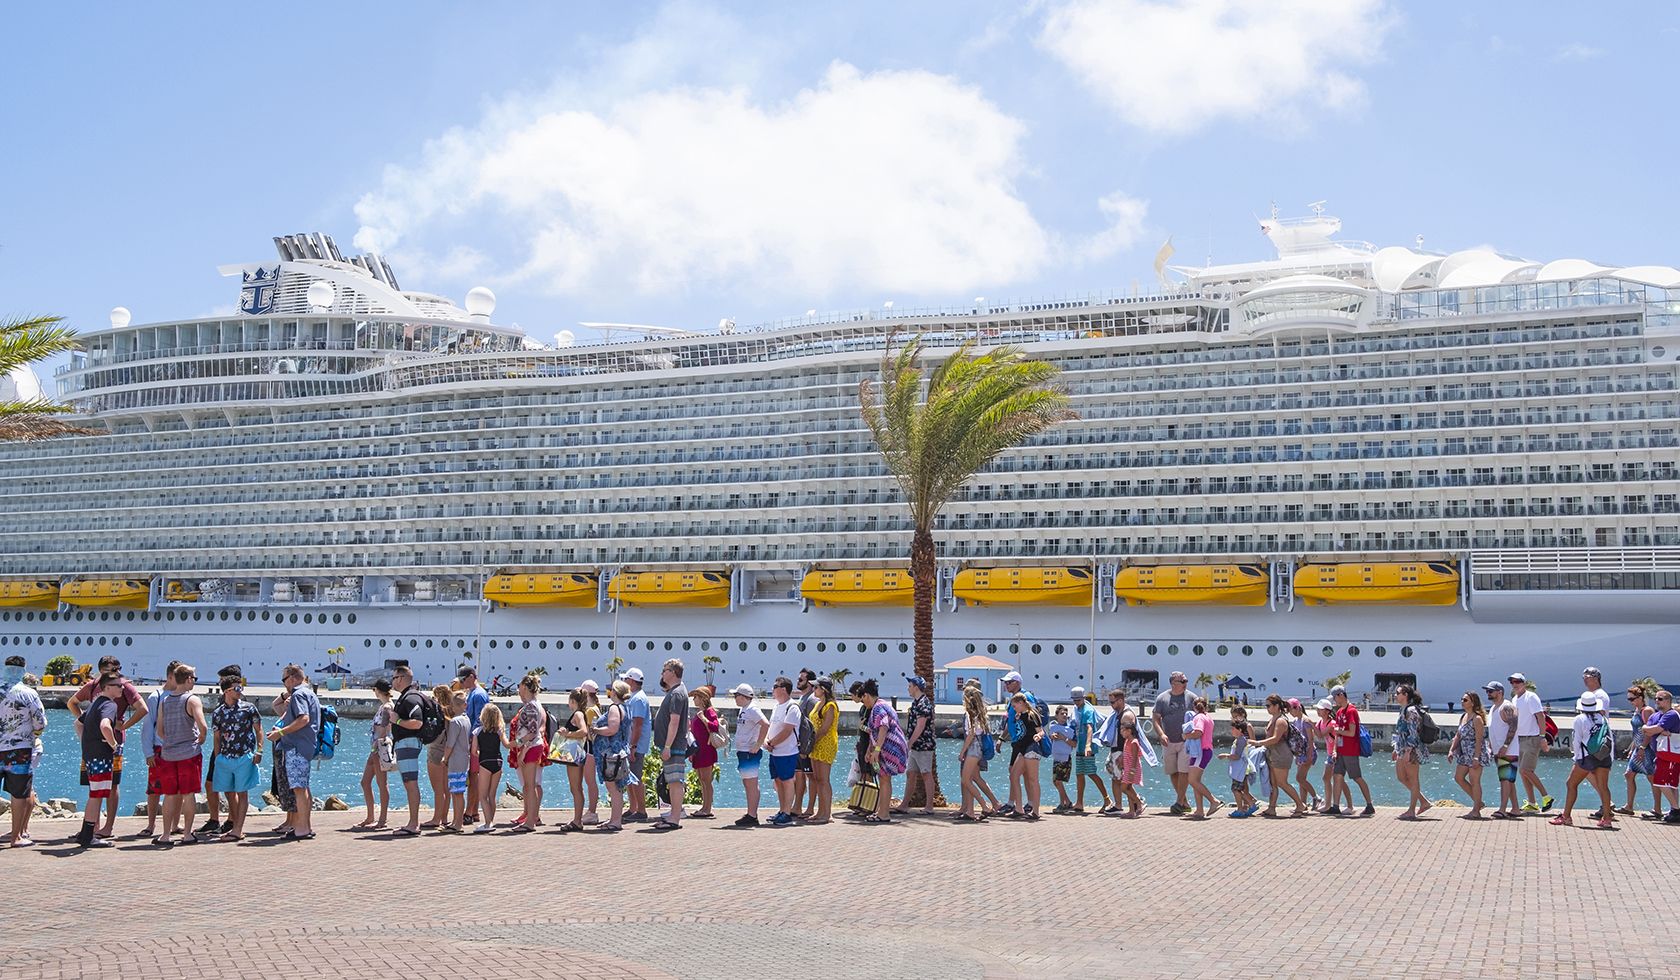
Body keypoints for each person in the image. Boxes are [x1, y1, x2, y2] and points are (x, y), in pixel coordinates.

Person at [65, 655, 147, 841]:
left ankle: (102, 827)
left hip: (94, 748)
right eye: (113, 671)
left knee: (106, 787)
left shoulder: (109, 694)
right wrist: (111, 742)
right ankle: (91, 830)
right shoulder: (105, 699)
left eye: (118, 670)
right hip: (103, 749)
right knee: (97, 789)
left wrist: (123, 726)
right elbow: (78, 708)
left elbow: (142, 708)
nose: (118, 677)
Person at [153, 663, 207, 846]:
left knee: (169, 795)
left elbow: (159, 731)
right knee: (188, 794)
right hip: (189, 754)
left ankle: (165, 835)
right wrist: (200, 739)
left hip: (168, 753)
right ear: (189, 679)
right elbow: (203, 726)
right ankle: (187, 834)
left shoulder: (165, 701)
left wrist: (171, 741)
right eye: (194, 678)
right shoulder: (192, 700)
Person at [266, 664, 320, 840]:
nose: (284, 684)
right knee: (303, 788)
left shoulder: (299, 694)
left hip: (296, 747)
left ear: (292, 677)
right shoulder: (310, 693)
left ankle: (302, 829)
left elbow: (303, 718)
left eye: (284, 680)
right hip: (305, 746)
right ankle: (305, 826)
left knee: (298, 788)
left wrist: (280, 733)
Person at [208, 675, 262, 841]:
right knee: (229, 792)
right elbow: (216, 737)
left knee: (242, 792)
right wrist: (217, 758)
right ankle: (235, 827)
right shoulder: (218, 713)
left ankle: (238, 829)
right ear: (226, 691)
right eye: (237, 688)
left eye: (241, 688)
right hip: (225, 758)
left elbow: (259, 730)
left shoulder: (249, 708)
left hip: (244, 756)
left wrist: (259, 751)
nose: (240, 691)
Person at [0, 655, 47, 847]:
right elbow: (40, 722)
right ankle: (16, 837)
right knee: (19, 794)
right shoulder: (28, 693)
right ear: (23, 670)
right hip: (19, 750)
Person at [75, 672, 124, 849]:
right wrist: (113, 744)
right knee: (97, 795)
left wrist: (86, 742)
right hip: (101, 756)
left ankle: (86, 833)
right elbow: (105, 725)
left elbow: (78, 723)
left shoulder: (95, 702)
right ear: (107, 687)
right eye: (118, 685)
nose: (122, 687)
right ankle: (88, 836)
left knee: (94, 794)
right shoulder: (110, 705)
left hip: (90, 754)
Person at [1552, 691, 1615, 829]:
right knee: (1603, 787)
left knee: (1571, 784)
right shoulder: (1603, 718)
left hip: (1587, 757)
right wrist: (1610, 758)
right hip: (1603, 756)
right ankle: (1607, 819)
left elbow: (1577, 740)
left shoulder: (1580, 719)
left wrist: (1577, 758)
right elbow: (1610, 739)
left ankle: (1566, 816)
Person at [198, 663, 245, 837]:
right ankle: (214, 819)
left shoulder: (240, 703)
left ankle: (232, 821)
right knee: (211, 784)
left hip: (232, 751)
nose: (219, 683)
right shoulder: (223, 700)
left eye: (221, 679)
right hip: (220, 750)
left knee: (230, 788)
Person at [137, 660, 180, 839]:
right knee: (154, 789)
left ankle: (175, 824)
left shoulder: (183, 694)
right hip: (159, 748)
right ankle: (151, 824)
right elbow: (148, 726)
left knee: (177, 789)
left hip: (178, 749)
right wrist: (148, 752)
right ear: (170, 676)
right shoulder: (156, 696)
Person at [860, 678, 909, 824]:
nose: (863, 702)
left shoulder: (878, 708)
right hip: (885, 748)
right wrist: (870, 750)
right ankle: (881, 810)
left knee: (885, 778)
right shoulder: (880, 706)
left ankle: (884, 813)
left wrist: (877, 750)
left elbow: (883, 727)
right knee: (883, 778)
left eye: (863, 698)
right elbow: (873, 732)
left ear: (867, 695)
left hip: (889, 749)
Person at [389, 665, 430, 836]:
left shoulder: (410, 698)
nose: (392, 682)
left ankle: (413, 824)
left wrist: (397, 721)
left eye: (394, 678)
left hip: (408, 743)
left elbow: (417, 722)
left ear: (401, 678)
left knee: (410, 783)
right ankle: (413, 822)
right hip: (407, 743)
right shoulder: (408, 697)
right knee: (409, 782)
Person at [1000, 671, 1046, 819]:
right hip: (1019, 745)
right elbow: (1011, 723)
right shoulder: (1017, 709)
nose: (1006, 685)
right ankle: (1018, 807)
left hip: (1031, 748)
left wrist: (1038, 736)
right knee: (1014, 775)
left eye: (1009, 682)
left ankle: (1034, 809)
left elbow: (1039, 729)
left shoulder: (1029, 708)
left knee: (1032, 778)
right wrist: (1002, 738)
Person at [1251, 694, 1306, 817]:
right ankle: (1272, 808)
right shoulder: (1273, 719)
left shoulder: (1281, 720)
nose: (1267, 708)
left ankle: (1300, 804)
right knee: (1273, 783)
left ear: (1276, 706)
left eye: (1269, 705)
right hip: (1272, 753)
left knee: (1282, 782)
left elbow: (1275, 739)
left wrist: (1258, 743)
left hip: (1281, 754)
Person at [650, 658, 689, 830]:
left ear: (673, 672)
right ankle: (673, 815)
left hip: (674, 746)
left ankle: (674, 818)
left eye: (665, 670)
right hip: (671, 745)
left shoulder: (677, 693)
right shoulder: (675, 692)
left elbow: (675, 721)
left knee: (675, 781)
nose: (662, 673)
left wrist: (667, 747)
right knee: (672, 780)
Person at [1325, 686, 1374, 817]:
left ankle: (1369, 804)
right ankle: (1335, 806)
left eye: (1335, 697)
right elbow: (1337, 735)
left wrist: (1339, 731)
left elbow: (1352, 733)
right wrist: (1335, 750)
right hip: (1340, 750)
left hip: (1350, 750)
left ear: (1341, 695)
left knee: (1356, 777)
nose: (1334, 701)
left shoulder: (1351, 711)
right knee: (1337, 776)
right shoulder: (1340, 712)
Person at [1153, 671, 1196, 815]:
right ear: (1173, 683)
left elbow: (1200, 716)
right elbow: (1156, 719)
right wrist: (1161, 734)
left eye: (1186, 681)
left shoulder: (1191, 698)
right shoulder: (1162, 698)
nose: (1185, 684)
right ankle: (1184, 801)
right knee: (1173, 771)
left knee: (1184, 771)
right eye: (1182, 681)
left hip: (1186, 741)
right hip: (1168, 741)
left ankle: (1178, 802)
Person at [354, 679, 395, 830]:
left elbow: (383, 730)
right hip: (375, 748)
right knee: (365, 782)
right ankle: (370, 816)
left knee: (381, 783)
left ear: (378, 690)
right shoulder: (384, 706)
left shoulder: (387, 708)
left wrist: (374, 748)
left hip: (379, 748)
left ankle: (382, 819)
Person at [1509, 673, 1553, 813]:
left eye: (1518, 681)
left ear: (1524, 683)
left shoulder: (1531, 697)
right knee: (1524, 772)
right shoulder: (1515, 699)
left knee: (1525, 770)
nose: (1515, 684)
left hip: (1532, 738)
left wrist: (1542, 737)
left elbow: (1540, 716)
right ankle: (1532, 803)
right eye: (1512, 682)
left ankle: (1546, 797)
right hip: (1519, 739)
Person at [509, 674, 547, 832]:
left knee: (529, 786)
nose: (518, 689)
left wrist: (520, 748)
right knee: (529, 786)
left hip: (531, 747)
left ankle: (530, 821)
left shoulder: (531, 706)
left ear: (525, 686)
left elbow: (531, 732)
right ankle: (530, 819)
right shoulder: (535, 704)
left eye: (520, 686)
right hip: (533, 746)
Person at [591, 683, 630, 832]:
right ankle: (615, 818)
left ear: (615, 692)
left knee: (612, 786)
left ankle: (615, 821)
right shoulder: (625, 708)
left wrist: (596, 730)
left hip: (610, 753)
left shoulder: (614, 708)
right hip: (618, 751)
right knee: (616, 786)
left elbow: (612, 729)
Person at [897, 675, 938, 816]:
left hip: (923, 746)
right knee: (910, 773)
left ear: (916, 687)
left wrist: (909, 743)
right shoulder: (916, 703)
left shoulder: (923, 704)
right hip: (916, 746)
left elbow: (920, 726)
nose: (908, 688)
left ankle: (929, 806)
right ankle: (904, 805)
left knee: (926, 773)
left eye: (910, 686)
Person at [765, 676, 802, 826]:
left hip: (787, 752)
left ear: (784, 689)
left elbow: (787, 731)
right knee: (778, 780)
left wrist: (772, 742)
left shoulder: (792, 707)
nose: (772, 689)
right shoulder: (776, 706)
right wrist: (767, 741)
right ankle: (781, 810)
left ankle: (787, 812)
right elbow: (771, 726)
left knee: (787, 781)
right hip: (775, 752)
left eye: (775, 686)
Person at [1448, 691, 1491, 820]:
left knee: (1475, 781)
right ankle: (1479, 803)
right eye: (1462, 699)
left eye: (1465, 700)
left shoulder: (1477, 719)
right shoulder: (1463, 717)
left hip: (1475, 753)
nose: (1462, 702)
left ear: (1473, 702)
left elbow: (1479, 739)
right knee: (1458, 777)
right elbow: (1458, 735)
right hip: (1464, 752)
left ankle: (1476, 810)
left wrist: (1476, 757)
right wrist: (1451, 750)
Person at [1391, 684, 1431, 820]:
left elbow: (1413, 733)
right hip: (1402, 748)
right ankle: (1424, 801)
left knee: (1413, 779)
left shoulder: (1411, 711)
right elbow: (1400, 732)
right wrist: (1396, 749)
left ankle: (1411, 810)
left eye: (1398, 693)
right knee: (1401, 777)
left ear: (1405, 695)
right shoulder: (1403, 710)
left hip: (1411, 749)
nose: (1395, 695)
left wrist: (1409, 751)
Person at [1639, 690, 1680, 823]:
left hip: (1670, 754)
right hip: (1665, 753)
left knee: (1660, 781)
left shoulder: (1671, 715)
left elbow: (1654, 729)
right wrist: (1652, 729)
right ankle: (1674, 810)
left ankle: (1676, 810)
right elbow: (1654, 730)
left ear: (1668, 701)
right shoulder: (1660, 715)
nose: (1657, 701)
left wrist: (1646, 727)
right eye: (1656, 698)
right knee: (1671, 784)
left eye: (1660, 699)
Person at [731, 684, 769, 827]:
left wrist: (758, 744)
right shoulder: (744, 709)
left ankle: (752, 815)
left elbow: (765, 724)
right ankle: (750, 813)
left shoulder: (752, 709)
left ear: (743, 696)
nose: (735, 698)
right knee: (747, 783)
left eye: (736, 695)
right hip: (743, 751)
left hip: (749, 751)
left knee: (751, 783)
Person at [1483, 680, 1521, 819]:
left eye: (1490, 691)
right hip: (1498, 750)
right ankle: (1516, 808)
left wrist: (1505, 746)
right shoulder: (1493, 708)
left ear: (1500, 692)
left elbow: (1514, 726)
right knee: (1508, 780)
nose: (1488, 693)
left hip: (1509, 750)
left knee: (1505, 780)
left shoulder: (1507, 707)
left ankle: (1503, 809)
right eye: (1487, 691)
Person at [555, 688, 591, 833]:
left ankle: (577, 820)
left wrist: (568, 733)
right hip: (577, 753)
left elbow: (584, 731)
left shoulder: (577, 714)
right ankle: (577, 819)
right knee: (576, 787)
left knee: (575, 788)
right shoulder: (580, 713)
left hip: (575, 755)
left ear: (572, 701)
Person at [459, 666, 491, 824]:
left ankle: (470, 811)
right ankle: (475, 811)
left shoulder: (478, 695)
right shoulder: (473, 693)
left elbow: (479, 721)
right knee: (472, 776)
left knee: (473, 776)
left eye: (463, 679)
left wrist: (473, 741)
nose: (461, 682)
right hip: (473, 740)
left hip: (474, 741)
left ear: (472, 677)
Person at [1619, 685, 1657, 818]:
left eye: (1632, 699)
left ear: (1640, 698)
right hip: (1638, 747)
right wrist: (1633, 748)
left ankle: (1657, 809)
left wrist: (1642, 748)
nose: (1630, 701)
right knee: (1629, 774)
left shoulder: (1647, 711)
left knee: (1651, 777)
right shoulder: (1637, 710)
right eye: (1629, 699)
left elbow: (1648, 731)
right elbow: (1637, 732)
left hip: (1646, 748)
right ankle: (1629, 806)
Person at [420, 683, 454, 829]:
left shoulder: (437, 713)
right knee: (446, 789)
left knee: (437, 789)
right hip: (448, 752)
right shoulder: (453, 714)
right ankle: (444, 817)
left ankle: (436, 819)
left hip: (435, 751)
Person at [806, 678, 839, 824]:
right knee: (817, 779)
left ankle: (827, 813)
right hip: (815, 744)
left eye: (816, 687)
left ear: (823, 689)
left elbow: (825, 728)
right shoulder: (818, 704)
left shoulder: (830, 705)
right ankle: (820, 811)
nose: (814, 690)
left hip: (825, 744)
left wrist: (812, 741)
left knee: (824, 779)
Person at [437, 690, 471, 833]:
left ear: (452, 705)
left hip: (456, 760)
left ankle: (457, 823)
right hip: (464, 759)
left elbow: (450, 743)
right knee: (459, 792)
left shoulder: (455, 722)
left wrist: (444, 758)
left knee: (456, 793)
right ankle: (457, 820)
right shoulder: (466, 719)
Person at [1181, 696, 1220, 819]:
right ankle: (1199, 810)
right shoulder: (1209, 717)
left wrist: (1186, 736)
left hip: (1201, 751)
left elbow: (1198, 732)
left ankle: (1214, 801)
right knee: (1196, 781)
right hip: (1204, 751)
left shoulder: (1199, 717)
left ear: (1194, 707)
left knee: (1192, 780)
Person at [621, 667, 651, 823]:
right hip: (632, 744)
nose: (624, 682)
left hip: (636, 746)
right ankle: (633, 807)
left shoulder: (638, 699)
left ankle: (641, 810)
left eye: (626, 679)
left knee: (636, 777)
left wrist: (633, 747)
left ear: (631, 681)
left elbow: (638, 724)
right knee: (629, 777)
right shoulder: (635, 697)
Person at [1071, 688, 1108, 813]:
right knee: (1079, 774)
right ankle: (1079, 802)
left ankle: (1107, 799)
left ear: (1084, 698)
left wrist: (1088, 745)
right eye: (1074, 700)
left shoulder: (1088, 710)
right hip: (1080, 746)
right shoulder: (1077, 709)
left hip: (1087, 747)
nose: (1076, 702)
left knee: (1091, 773)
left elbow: (1090, 728)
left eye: (1078, 700)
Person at [956, 684, 990, 822]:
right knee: (969, 779)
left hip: (973, 747)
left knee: (965, 780)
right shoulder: (979, 714)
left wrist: (962, 752)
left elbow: (970, 734)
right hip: (978, 747)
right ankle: (970, 811)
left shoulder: (971, 714)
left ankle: (984, 805)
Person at [688, 685, 722, 819]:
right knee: (702, 780)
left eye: (696, 697)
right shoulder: (699, 712)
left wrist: (704, 719)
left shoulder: (709, 712)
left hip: (707, 750)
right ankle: (704, 806)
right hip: (698, 750)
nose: (694, 700)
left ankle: (708, 808)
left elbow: (715, 726)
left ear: (702, 698)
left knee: (707, 780)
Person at [474, 703, 508, 832]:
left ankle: (488, 823)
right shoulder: (499, 731)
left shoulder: (478, 732)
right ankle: (491, 821)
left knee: (482, 796)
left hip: (485, 762)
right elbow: (506, 744)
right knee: (491, 795)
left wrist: (480, 754)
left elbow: (473, 751)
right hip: (498, 762)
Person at [1220, 706, 1257, 817]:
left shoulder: (1242, 737)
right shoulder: (1238, 739)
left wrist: (1226, 756)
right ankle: (1249, 803)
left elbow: (1239, 754)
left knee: (1237, 788)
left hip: (1242, 765)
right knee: (1240, 787)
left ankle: (1246, 805)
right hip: (1240, 765)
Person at [1285, 698, 1319, 812]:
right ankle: (1303, 804)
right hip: (1300, 753)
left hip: (1308, 752)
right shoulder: (1296, 721)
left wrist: (1309, 755)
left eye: (1292, 708)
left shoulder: (1305, 721)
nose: (1290, 711)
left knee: (1299, 778)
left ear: (1298, 707)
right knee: (1301, 780)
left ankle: (1316, 797)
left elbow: (1310, 739)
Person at [794, 669, 819, 818]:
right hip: (799, 745)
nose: (798, 682)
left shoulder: (811, 700)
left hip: (806, 747)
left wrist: (807, 748)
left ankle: (810, 808)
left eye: (801, 679)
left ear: (809, 682)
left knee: (811, 776)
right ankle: (797, 806)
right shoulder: (803, 698)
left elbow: (811, 727)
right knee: (800, 775)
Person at [577, 679, 602, 826]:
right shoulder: (595, 709)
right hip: (592, 749)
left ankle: (592, 811)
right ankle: (591, 810)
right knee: (590, 780)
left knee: (590, 781)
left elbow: (589, 733)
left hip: (590, 749)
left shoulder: (590, 710)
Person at [1046, 704, 1076, 813]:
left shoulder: (1070, 729)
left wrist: (1064, 738)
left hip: (1065, 758)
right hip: (1056, 758)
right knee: (1056, 781)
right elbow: (1050, 735)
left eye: (1066, 714)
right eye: (1062, 714)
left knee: (1058, 781)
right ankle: (1066, 802)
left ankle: (1064, 803)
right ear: (1056, 716)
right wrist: (1052, 736)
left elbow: (1074, 744)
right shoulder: (1053, 727)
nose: (1064, 715)